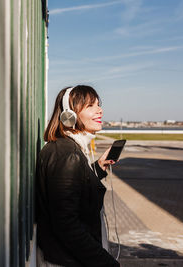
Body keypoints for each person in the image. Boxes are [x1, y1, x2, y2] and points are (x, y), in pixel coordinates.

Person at [36, 85, 120, 267]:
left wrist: (97, 168)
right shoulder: (68, 154)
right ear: (69, 115)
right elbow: (67, 225)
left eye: (98, 104)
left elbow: (73, 190)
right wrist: (107, 263)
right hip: (67, 260)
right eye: (91, 106)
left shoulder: (67, 148)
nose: (100, 110)